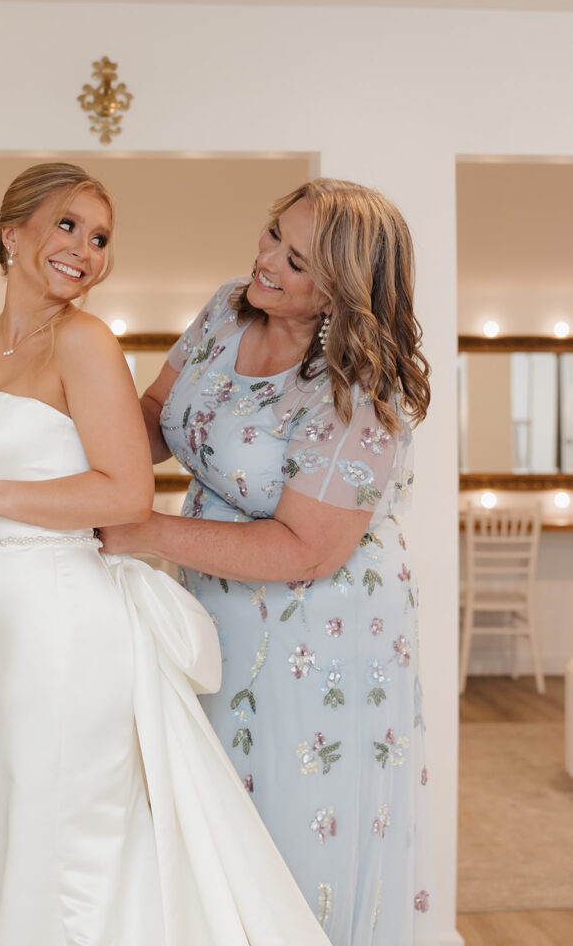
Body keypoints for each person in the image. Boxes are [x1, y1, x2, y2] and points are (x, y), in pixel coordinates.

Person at [0, 162, 331, 946]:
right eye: (67, 225)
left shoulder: (86, 341)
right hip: (0, 628)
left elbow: (122, 494)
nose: (86, 250)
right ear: (12, 234)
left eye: (100, 237)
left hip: (67, 628)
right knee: (20, 824)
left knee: (71, 839)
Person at [101, 178, 439, 945]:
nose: (266, 262)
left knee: (285, 829)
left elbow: (306, 548)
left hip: (318, 639)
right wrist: (78, 465)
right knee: (208, 815)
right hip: (210, 610)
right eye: (271, 235)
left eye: (297, 261)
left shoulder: (360, 389)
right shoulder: (226, 307)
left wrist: (140, 528)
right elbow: (156, 416)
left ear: (341, 294)